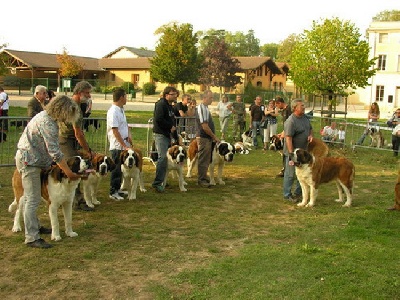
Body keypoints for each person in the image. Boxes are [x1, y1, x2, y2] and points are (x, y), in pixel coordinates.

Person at [15, 95, 82, 248]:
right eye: (68, 114)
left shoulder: (45, 117)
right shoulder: (48, 123)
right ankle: (32, 237)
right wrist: (69, 172)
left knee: (34, 197)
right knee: (32, 199)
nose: (68, 119)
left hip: (34, 160)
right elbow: (55, 152)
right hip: (29, 162)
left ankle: (36, 226)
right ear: (62, 110)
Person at [58, 81, 95, 211]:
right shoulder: (75, 108)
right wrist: (88, 150)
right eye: (87, 93)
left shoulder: (70, 104)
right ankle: (77, 202)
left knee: (74, 170)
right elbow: (78, 133)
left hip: (65, 139)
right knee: (74, 170)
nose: (89, 96)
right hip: (65, 141)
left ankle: (72, 200)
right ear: (79, 93)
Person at [283, 98, 313, 202]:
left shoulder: (305, 117)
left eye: (304, 106)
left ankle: (298, 194)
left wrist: (310, 135)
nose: (304, 108)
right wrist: (292, 155)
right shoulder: (291, 121)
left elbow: (310, 129)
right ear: (295, 108)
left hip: (303, 153)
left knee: (303, 173)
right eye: (302, 106)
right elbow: (288, 138)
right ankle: (287, 195)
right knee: (290, 174)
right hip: (293, 153)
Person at [107, 88, 132, 200]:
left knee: (121, 168)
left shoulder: (121, 109)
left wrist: (129, 137)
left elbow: (125, 125)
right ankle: (113, 191)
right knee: (116, 168)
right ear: (121, 97)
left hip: (124, 143)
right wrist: (123, 144)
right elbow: (115, 130)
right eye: (125, 96)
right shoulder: (113, 111)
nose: (126, 99)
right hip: (117, 145)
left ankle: (118, 188)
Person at [152, 86, 178, 193]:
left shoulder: (169, 106)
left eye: (176, 94)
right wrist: (169, 127)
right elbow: (158, 119)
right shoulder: (161, 104)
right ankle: (157, 183)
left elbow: (171, 121)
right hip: (161, 135)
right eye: (173, 94)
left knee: (165, 159)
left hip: (167, 135)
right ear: (166, 95)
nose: (175, 96)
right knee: (162, 158)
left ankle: (163, 180)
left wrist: (175, 136)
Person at [196, 90, 220, 187]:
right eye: (210, 97)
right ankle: (201, 179)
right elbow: (204, 126)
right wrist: (214, 137)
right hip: (204, 137)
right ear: (204, 98)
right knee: (203, 159)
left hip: (207, 138)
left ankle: (204, 177)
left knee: (206, 159)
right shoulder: (201, 108)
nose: (212, 99)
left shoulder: (205, 108)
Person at [275, 96, 292, 177]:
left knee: (287, 153)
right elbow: (286, 124)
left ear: (280, 103)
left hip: (289, 135)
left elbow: (290, 124)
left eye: (277, 105)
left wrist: (285, 133)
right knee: (285, 153)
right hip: (286, 133)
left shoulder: (289, 110)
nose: (277, 107)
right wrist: (282, 132)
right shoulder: (284, 111)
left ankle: (286, 170)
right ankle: (285, 169)